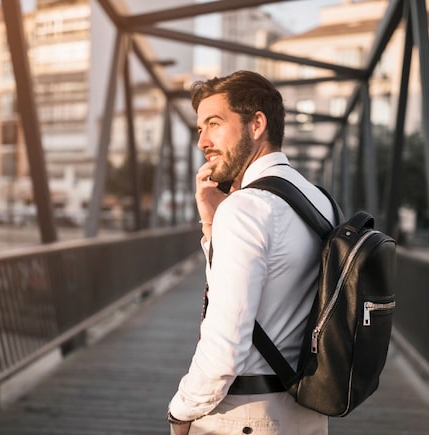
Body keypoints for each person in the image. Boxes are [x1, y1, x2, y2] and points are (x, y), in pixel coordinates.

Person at [167, 70, 336, 434]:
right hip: (306, 414)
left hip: (245, 419)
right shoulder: (319, 200)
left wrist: (181, 411)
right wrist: (212, 224)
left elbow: (225, 345)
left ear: (256, 123)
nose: (203, 142)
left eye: (214, 123)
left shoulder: (245, 208)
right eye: (199, 129)